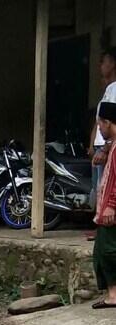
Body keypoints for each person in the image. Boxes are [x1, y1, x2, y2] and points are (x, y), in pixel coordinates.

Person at [88, 48, 116, 240]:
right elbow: (99, 122)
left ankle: (104, 230)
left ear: (113, 64)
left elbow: (112, 122)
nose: (100, 66)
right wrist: (93, 145)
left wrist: (106, 148)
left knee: (108, 187)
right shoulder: (109, 89)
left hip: (107, 145)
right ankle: (100, 226)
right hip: (102, 145)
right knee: (100, 187)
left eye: (103, 61)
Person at [91, 102, 116, 309]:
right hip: (107, 209)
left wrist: (112, 205)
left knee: (107, 252)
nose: (99, 128)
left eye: (100, 123)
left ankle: (114, 295)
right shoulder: (113, 146)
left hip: (111, 211)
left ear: (108, 122)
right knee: (103, 251)